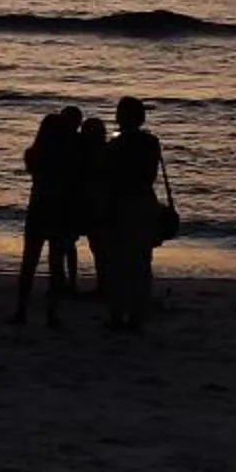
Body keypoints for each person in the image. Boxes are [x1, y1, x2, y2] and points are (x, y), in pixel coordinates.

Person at [101, 98, 167, 334]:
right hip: (144, 204)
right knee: (140, 263)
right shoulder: (151, 143)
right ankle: (136, 317)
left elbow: (106, 175)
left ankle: (118, 315)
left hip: (119, 205)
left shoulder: (115, 146)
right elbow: (150, 175)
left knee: (117, 264)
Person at [13, 107, 81, 324]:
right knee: (56, 262)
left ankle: (21, 310)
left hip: (38, 208)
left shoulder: (34, 155)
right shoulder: (69, 157)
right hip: (60, 210)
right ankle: (53, 313)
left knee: (29, 261)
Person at [72, 113, 113, 305]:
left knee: (100, 247)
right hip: (103, 205)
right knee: (103, 248)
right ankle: (106, 286)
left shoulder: (88, 155)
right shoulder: (107, 151)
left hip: (97, 205)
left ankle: (105, 286)